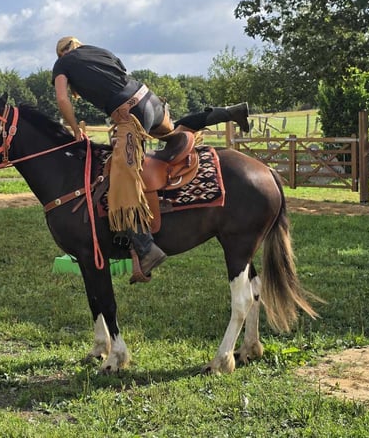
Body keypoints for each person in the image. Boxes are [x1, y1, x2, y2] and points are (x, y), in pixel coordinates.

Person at [52, 36, 249, 280]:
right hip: (150, 101)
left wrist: (75, 128)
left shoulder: (62, 63)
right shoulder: (98, 51)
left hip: (129, 114)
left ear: (61, 53)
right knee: (176, 130)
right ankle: (228, 113)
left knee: (122, 174)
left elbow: (62, 99)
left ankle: (146, 248)